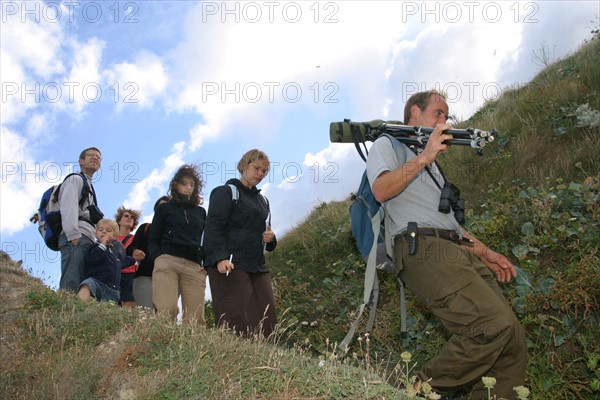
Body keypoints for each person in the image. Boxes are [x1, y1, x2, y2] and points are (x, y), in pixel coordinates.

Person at [366, 90, 527, 399]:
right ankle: (412, 394)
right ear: (414, 112)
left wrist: (485, 251)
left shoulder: (434, 165)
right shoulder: (388, 144)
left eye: (447, 115)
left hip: (455, 248)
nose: (445, 120)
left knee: (512, 339)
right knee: (492, 325)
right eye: (438, 113)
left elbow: (450, 225)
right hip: (421, 247)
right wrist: (425, 156)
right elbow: (381, 190)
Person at [204, 149, 278, 338]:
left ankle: (267, 357)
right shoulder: (225, 192)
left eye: (264, 171)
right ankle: (237, 359)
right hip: (231, 262)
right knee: (237, 318)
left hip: (257, 265)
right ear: (245, 165)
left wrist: (271, 239)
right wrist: (219, 258)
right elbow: (213, 226)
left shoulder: (263, 201)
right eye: (257, 168)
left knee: (267, 315)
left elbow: (266, 233)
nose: (260, 174)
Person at [148, 165, 207, 323]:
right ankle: (162, 344)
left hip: (194, 266)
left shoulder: (201, 212)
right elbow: (153, 237)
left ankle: (193, 347)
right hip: (168, 261)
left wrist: (206, 262)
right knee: (166, 311)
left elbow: (206, 239)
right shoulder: (164, 209)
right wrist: (158, 258)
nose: (188, 188)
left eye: (192, 185)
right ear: (175, 184)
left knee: (196, 319)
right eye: (185, 183)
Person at [58, 147, 104, 292]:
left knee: (82, 283)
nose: (96, 158)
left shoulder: (89, 185)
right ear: (81, 161)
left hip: (87, 238)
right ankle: (64, 312)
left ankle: (73, 313)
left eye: (98, 157)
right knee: (71, 281)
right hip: (77, 237)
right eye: (91, 156)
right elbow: (68, 206)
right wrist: (73, 235)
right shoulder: (75, 179)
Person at [78, 219, 143, 303]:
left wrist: (135, 258)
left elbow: (124, 261)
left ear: (115, 236)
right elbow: (91, 259)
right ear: (96, 233)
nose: (104, 232)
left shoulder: (116, 253)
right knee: (87, 285)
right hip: (96, 281)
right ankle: (78, 304)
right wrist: (102, 245)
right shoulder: (94, 247)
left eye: (108, 230)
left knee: (107, 308)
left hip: (113, 289)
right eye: (100, 230)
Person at [130, 196, 170, 309]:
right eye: (161, 207)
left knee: (166, 317)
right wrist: (135, 251)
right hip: (145, 276)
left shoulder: (177, 234)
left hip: (168, 280)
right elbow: (131, 247)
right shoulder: (145, 228)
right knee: (145, 314)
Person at [114, 206, 142, 308]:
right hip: (112, 273)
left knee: (129, 304)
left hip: (130, 275)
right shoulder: (111, 237)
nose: (129, 218)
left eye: (132, 217)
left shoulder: (136, 239)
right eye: (126, 216)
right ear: (119, 220)